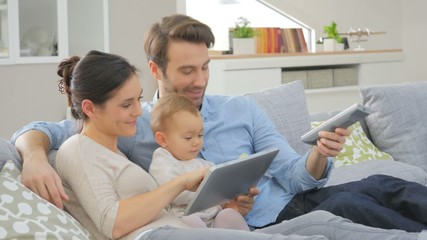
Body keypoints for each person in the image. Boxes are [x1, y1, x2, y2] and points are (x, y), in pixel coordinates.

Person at [11, 14, 427, 237]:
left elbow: (296, 176)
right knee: (358, 208)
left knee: (386, 185)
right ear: (156, 69)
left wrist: (319, 153)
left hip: (300, 199)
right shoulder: (132, 122)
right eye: (187, 70)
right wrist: (32, 154)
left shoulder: (241, 110)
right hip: (264, 223)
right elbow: (57, 130)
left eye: (206, 67)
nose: (200, 80)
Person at [149, 93, 250, 230]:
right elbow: (174, 192)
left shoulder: (203, 164)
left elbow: (219, 186)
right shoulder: (162, 161)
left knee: (229, 215)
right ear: (163, 140)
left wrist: (229, 195)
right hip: (183, 217)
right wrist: (211, 194)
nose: (196, 142)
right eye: (188, 137)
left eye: (200, 135)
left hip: (212, 217)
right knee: (190, 222)